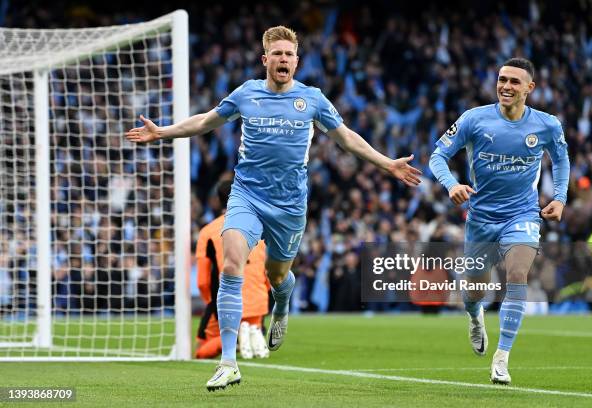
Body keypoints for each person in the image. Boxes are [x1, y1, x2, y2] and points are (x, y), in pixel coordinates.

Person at [126, 26, 422, 391]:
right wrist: (164, 132)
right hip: (247, 194)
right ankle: (229, 362)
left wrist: (386, 163)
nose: (283, 59)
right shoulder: (246, 93)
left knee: (278, 276)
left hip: (289, 205)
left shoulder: (312, 99)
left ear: (297, 61)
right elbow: (205, 121)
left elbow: (345, 137)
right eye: (277, 54)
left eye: (289, 54)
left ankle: (280, 304)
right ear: (265, 59)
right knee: (232, 261)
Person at [429, 57, 570, 385]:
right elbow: (438, 155)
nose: (506, 86)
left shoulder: (547, 125)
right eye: (502, 79)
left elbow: (561, 160)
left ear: (529, 88)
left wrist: (560, 197)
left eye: (514, 82)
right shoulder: (474, 119)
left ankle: (502, 357)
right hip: (480, 218)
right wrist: (452, 185)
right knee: (476, 289)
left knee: (518, 273)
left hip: (522, 215)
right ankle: (475, 315)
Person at [194, 179, 270, 360]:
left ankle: (234, 338)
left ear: (218, 200)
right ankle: (252, 331)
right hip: (258, 303)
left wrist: (211, 304)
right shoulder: (261, 227)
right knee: (252, 326)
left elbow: (203, 282)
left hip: (227, 301)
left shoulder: (208, 231)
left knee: (201, 350)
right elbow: (270, 273)